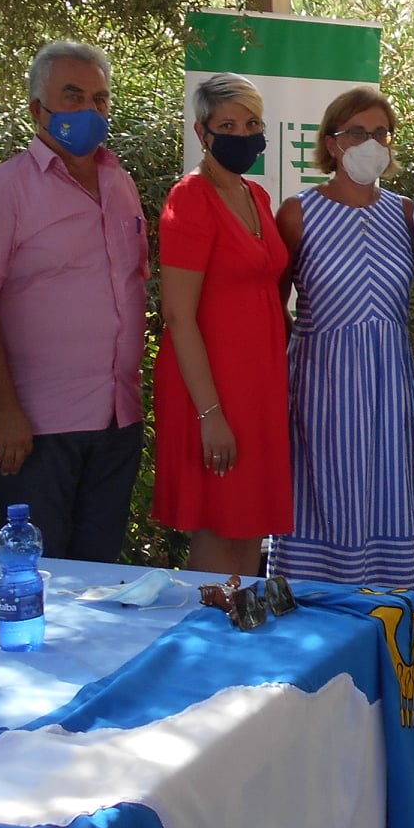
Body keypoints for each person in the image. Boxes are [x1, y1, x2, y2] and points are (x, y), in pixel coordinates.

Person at [0, 41, 147, 563]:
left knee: (98, 577)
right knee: (43, 576)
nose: (90, 109)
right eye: (73, 96)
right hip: (37, 427)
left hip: (117, 418)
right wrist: (5, 410)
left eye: (100, 99)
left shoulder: (120, 183)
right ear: (38, 108)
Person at [271, 86, 414, 591]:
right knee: (325, 494)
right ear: (332, 142)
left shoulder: (405, 213)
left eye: (381, 133)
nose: (371, 143)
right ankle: (316, 611)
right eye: (358, 132)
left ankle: (389, 615)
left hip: (389, 383)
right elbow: (272, 305)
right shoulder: (298, 212)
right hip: (322, 385)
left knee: (388, 491)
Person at [152, 74, 294, 578]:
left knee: (249, 523)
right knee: (218, 525)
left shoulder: (256, 195)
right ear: (202, 132)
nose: (243, 134)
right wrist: (210, 414)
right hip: (211, 388)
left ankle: (244, 622)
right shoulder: (190, 198)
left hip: (258, 387)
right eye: (228, 125)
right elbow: (178, 314)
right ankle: (211, 626)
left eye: (252, 124)